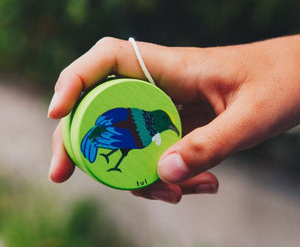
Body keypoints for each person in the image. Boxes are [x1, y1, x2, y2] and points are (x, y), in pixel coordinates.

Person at [48, 35, 300, 204]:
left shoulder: (146, 126)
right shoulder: (145, 128)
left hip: (105, 134)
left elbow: (119, 124)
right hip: (107, 134)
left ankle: (106, 155)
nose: (170, 127)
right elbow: (123, 129)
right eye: (167, 124)